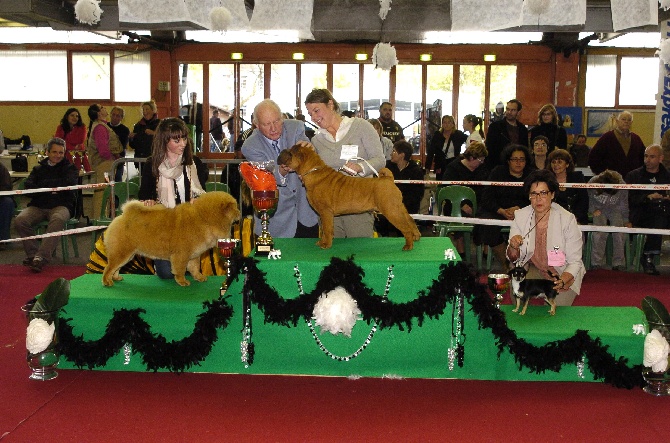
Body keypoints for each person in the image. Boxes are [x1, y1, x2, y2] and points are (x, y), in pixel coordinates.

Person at [304, 88, 385, 239]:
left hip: (358, 207)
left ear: (330, 105)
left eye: (316, 111)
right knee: (332, 257)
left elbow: (380, 159)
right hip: (328, 212)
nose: (314, 117)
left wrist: (360, 167)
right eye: (310, 114)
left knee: (360, 257)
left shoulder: (361, 127)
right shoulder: (316, 140)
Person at [138, 118, 208, 279]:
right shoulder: (151, 164)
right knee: (166, 274)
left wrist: (198, 201)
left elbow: (202, 192)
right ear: (164, 140)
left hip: (190, 225)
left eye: (184, 138)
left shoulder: (194, 163)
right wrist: (149, 202)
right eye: (177, 140)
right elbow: (144, 195)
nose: (183, 143)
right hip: (163, 226)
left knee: (190, 271)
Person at [507, 169, 585, 306]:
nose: (538, 199)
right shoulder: (520, 216)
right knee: (517, 293)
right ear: (529, 196)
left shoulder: (567, 219)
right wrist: (513, 246)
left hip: (562, 272)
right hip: (535, 269)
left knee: (554, 311)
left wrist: (563, 280)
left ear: (552, 194)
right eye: (533, 194)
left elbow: (575, 261)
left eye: (543, 193)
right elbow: (513, 258)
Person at [242, 99, 319, 239]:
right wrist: (282, 170)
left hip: (306, 214)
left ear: (282, 117)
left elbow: (305, 146)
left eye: (276, 121)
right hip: (276, 220)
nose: (273, 128)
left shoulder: (296, 127)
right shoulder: (250, 146)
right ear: (257, 125)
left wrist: (309, 149)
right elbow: (266, 173)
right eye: (267, 124)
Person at [14, 138, 78, 272]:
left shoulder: (70, 168)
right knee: (20, 220)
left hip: (62, 205)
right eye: (54, 152)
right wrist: (53, 188)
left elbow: (68, 183)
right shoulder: (37, 169)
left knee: (58, 219)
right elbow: (29, 187)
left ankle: (41, 258)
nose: (58, 155)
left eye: (61, 152)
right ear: (47, 152)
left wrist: (43, 187)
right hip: (38, 206)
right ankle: (33, 255)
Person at [478, 144, 534, 270]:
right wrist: (501, 211)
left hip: (525, 211)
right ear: (508, 161)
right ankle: (507, 263)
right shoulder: (497, 172)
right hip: (498, 210)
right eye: (515, 159)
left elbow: (536, 198)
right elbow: (487, 196)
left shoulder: (532, 175)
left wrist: (520, 209)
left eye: (522, 159)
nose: (518, 163)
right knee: (487, 225)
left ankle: (527, 263)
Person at [625, 144, 670, 275]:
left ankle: (649, 255)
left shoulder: (667, 176)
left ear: (661, 158)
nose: (647, 160)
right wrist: (647, 197)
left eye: (652, 157)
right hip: (641, 212)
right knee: (658, 218)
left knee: (661, 215)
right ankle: (648, 256)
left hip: (664, 211)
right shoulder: (633, 176)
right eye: (645, 156)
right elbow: (628, 199)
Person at [441, 141, 490, 256]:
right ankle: (461, 247)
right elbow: (447, 189)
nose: (482, 162)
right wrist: (461, 205)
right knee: (457, 213)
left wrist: (478, 205)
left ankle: (486, 247)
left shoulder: (483, 169)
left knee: (487, 214)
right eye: (480, 160)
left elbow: (487, 190)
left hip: (478, 204)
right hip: (455, 205)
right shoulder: (453, 168)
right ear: (472, 158)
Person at [375, 140, 424, 237]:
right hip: (387, 204)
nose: (391, 153)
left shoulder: (416, 171)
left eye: (394, 151)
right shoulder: (386, 167)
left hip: (405, 207)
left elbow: (417, 194)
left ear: (402, 155)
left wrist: (400, 206)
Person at [588, 169, 630, 271]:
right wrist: (593, 210)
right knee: (599, 232)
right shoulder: (592, 183)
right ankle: (596, 262)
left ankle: (618, 262)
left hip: (615, 208)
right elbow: (589, 198)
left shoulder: (622, 185)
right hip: (598, 208)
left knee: (619, 231)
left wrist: (626, 219)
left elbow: (624, 203)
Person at [86, 104, 123, 219]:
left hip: (105, 163)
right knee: (102, 194)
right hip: (104, 164)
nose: (105, 108)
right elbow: (103, 150)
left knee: (104, 193)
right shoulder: (100, 128)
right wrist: (114, 157)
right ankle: (99, 220)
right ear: (98, 113)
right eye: (101, 107)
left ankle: (101, 218)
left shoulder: (101, 126)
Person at [588, 111, 645, 178]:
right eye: (623, 119)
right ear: (617, 121)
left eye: (629, 120)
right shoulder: (607, 137)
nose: (626, 121)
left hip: (632, 180)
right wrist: (602, 175)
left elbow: (643, 158)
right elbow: (593, 157)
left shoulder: (636, 139)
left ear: (631, 123)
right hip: (611, 181)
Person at [547, 149, 588, 225]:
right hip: (554, 220)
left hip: (576, 218)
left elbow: (584, 200)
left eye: (559, 162)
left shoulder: (577, 177)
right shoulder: (548, 180)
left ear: (567, 164)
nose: (556, 165)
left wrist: (576, 217)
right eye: (553, 162)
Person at [485, 99, 529, 170]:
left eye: (513, 110)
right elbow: (489, 148)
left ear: (518, 112)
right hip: (498, 165)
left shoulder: (523, 129)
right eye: (508, 109)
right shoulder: (495, 127)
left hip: (518, 166)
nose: (509, 112)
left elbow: (525, 149)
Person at [426, 115, 468, 179]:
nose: (447, 124)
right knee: (441, 184)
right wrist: (427, 167)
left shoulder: (458, 134)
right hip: (440, 165)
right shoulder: (437, 135)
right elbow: (431, 151)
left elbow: (469, 141)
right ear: (442, 124)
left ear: (453, 124)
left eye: (449, 122)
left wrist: (465, 155)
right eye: (444, 122)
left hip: (453, 164)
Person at [129, 100, 160, 174]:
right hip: (140, 160)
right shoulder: (138, 125)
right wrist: (131, 138)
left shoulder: (160, 124)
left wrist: (154, 133)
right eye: (143, 109)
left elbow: (165, 139)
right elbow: (133, 146)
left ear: (153, 110)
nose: (145, 112)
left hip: (155, 160)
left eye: (147, 109)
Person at [108, 106, 130, 182]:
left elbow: (123, 145)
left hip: (118, 159)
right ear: (110, 115)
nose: (115, 117)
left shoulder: (125, 130)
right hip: (105, 159)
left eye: (118, 116)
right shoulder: (105, 127)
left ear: (121, 118)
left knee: (117, 181)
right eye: (113, 114)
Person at [0, 162, 14, 246]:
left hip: (1, 197)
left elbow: (7, 186)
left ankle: (3, 238)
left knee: (7, 203)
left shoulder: (1, 168)